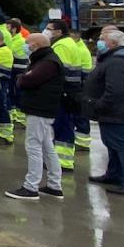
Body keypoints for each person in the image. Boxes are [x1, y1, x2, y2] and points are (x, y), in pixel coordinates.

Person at [4, 33, 66, 201]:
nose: (25, 45)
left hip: (40, 109)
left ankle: (31, 187)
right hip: (41, 108)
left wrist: (22, 78)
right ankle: (54, 185)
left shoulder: (48, 62)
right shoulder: (43, 59)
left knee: (34, 146)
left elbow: (29, 80)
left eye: (27, 43)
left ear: (36, 45)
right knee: (46, 146)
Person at [84, 29, 124, 196]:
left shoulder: (118, 62)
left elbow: (115, 90)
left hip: (114, 110)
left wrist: (100, 105)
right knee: (113, 145)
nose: (99, 43)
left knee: (123, 146)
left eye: (103, 40)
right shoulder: (115, 59)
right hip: (113, 110)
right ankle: (114, 175)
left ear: (113, 44)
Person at [45, 19, 84, 171]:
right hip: (68, 90)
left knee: (62, 125)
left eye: (49, 29)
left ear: (58, 32)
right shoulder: (66, 43)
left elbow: (57, 70)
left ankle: (63, 162)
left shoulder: (62, 46)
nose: (46, 31)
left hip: (63, 91)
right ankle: (58, 160)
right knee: (62, 125)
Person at [68, 29, 95, 153]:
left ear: (76, 37)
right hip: (81, 84)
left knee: (80, 114)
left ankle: (82, 143)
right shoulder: (78, 47)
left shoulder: (79, 50)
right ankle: (81, 140)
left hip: (80, 85)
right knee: (78, 113)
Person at [7, 18, 29, 126]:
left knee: (18, 93)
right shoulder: (14, 39)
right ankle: (15, 116)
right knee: (12, 92)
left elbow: (9, 52)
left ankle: (21, 119)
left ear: (14, 29)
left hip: (18, 70)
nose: (6, 29)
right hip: (14, 69)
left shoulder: (18, 41)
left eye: (8, 27)